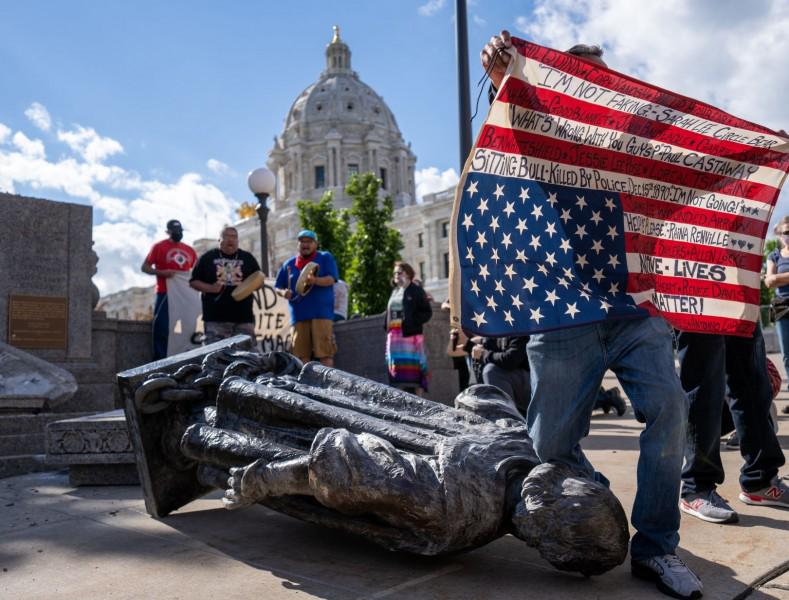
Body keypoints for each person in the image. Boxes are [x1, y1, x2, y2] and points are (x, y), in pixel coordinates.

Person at [481, 31, 702, 599]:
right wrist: (506, 74)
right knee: (548, 443)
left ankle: (656, 547)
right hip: (564, 311)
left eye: (607, 79)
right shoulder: (543, 139)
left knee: (669, 409)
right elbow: (511, 124)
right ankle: (596, 497)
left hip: (634, 308)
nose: (600, 88)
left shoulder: (632, 145)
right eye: (585, 80)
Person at [677, 326, 788, 525]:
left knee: (752, 378)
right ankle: (696, 489)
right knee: (704, 381)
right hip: (697, 298)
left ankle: (760, 480)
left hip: (739, 296)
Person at [275, 230, 339, 366]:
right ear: (297, 245)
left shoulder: (325, 257)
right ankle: (305, 386)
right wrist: (283, 292)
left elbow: (331, 279)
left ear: (315, 244)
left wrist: (314, 281)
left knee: (325, 354)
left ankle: (330, 385)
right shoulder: (288, 265)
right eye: (302, 241)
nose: (305, 244)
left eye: (309, 241)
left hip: (321, 315)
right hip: (299, 316)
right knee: (301, 357)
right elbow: (278, 287)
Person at [190, 226, 261, 344]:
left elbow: (259, 281)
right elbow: (193, 282)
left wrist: (249, 286)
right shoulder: (207, 258)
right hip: (215, 319)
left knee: (246, 358)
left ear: (238, 240)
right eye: (227, 236)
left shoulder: (248, 258)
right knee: (216, 357)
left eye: (234, 237)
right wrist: (211, 288)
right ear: (219, 240)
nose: (230, 240)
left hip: (243, 318)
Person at [141, 219, 197, 360]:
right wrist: (161, 272)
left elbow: (196, 271)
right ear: (168, 232)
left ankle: (187, 358)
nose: (178, 233)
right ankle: (160, 360)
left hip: (185, 295)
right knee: (162, 328)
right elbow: (145, 267)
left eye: (180, 231)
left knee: (189, 328)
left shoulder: (189, 250)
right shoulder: (159, 247)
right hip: (165, 293)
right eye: (175, 231)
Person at [385, 262, 432, 396]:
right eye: (395, 273)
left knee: (415, 371)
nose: (396, 276)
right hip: (394, 337)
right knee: (396, 371)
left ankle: (419, 401)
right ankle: (398, 401)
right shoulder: (395, 291)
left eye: (399, 272)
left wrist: (413, 322)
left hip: (411, 337)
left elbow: (427, 312)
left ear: (408, 274)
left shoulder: (416, 290)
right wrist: (387, 329)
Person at [466, 336, 530, 413]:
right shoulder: (502, 332)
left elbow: (510, 360)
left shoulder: (520, 330)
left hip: (538, 388)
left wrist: (483, 354)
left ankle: (506, 416)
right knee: (486, 367)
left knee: (492, 371)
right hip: (523, 387)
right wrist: (470, 344)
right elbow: (494, 345)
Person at [765, 216, 789, 386]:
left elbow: (774, 279)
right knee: (786, 353)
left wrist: (777, 278)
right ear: (780, 234)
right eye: (786, 232)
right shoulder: (773, 255)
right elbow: (768, 282)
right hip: (779, 306)